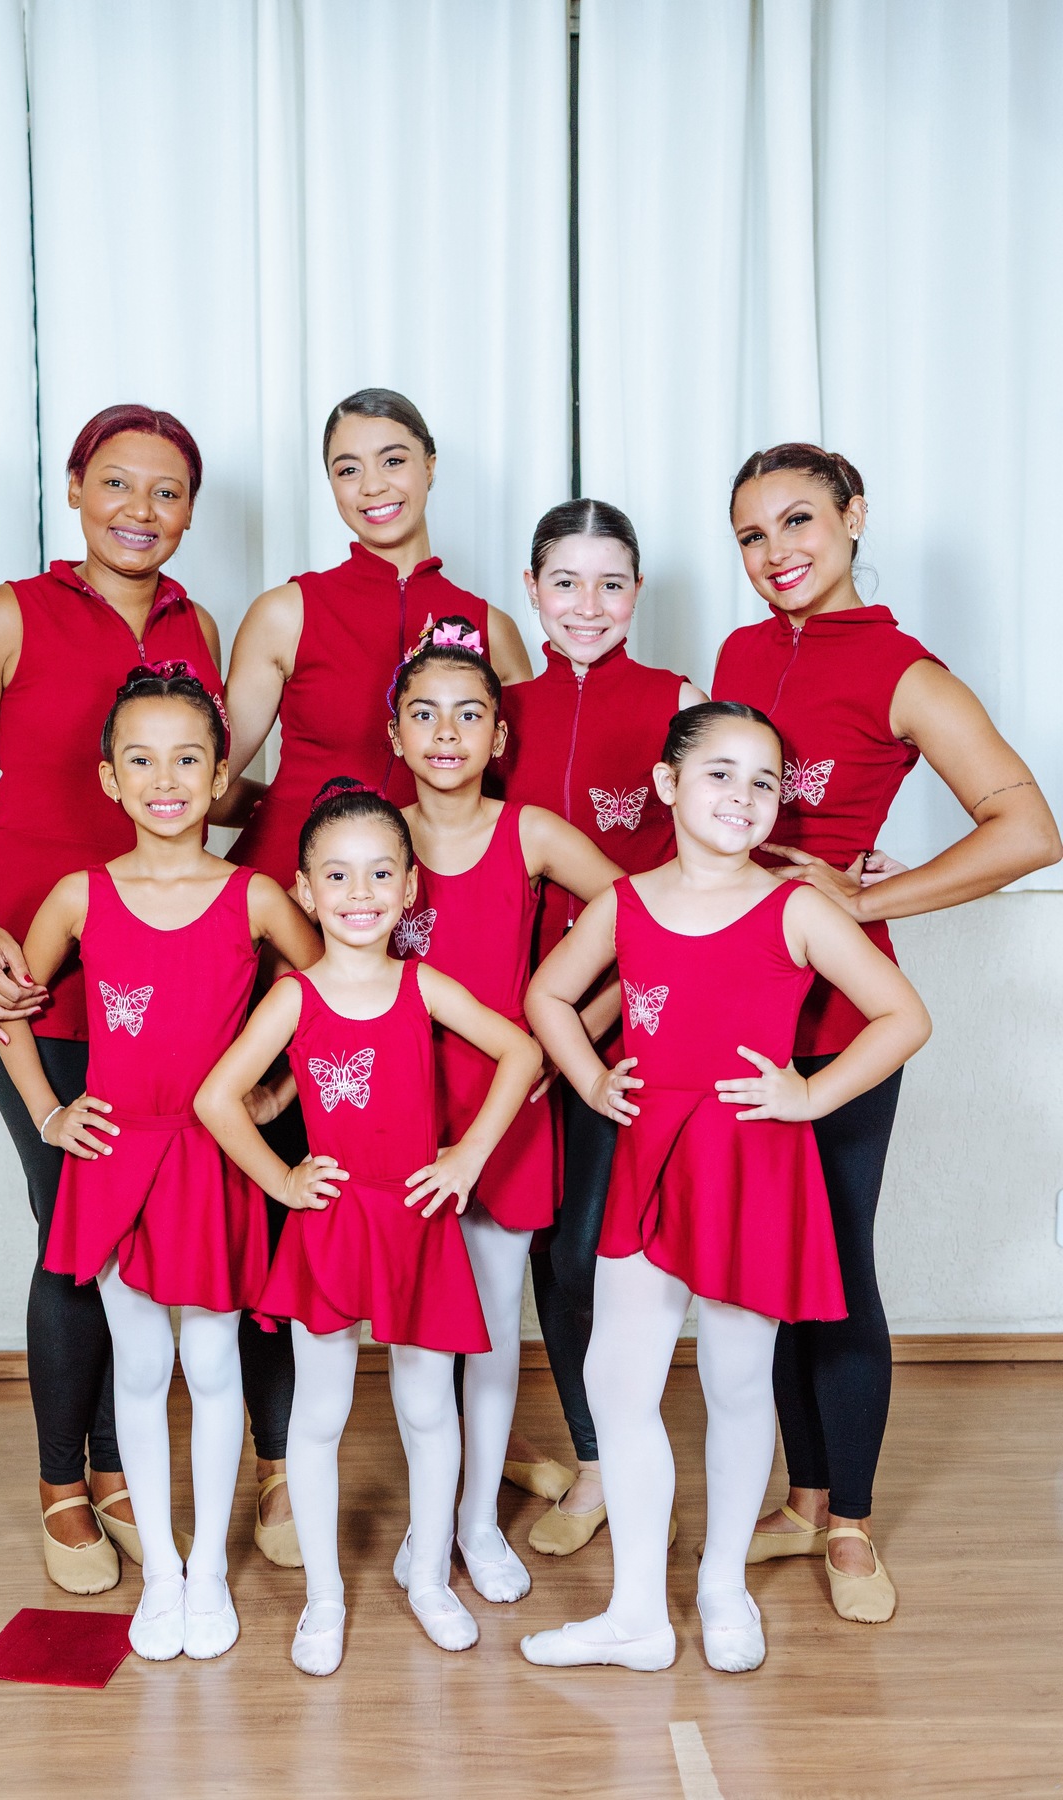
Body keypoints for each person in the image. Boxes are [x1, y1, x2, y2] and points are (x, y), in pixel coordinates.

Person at [714, 444, 1061, 1620]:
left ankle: (852, 1524)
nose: (778, 554)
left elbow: (1028, 827)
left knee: (838, 1264)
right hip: (732, 996)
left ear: (856, 517)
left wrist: (868, 900)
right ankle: (800, 1501)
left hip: (841, 1012)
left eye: (800, 521)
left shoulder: (907, 670)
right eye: (753, 536)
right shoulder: (739, 655)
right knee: (765, 1264)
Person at [520, 702, 931, 1674]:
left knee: (739, 1380)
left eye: (764, 781)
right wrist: (589, 1075)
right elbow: (547, 994)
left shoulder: (798, 909)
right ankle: (634, 1614)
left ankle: (720, 1589)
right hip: (652, 1152)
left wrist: (809, 1092)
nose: (743, 796)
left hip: (751, 1162)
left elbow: (900, 1015)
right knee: (617, 1377)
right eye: (720, 773)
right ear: (666, 784)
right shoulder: (627, 903)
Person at [0, 404, 222, 1591]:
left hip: (165, 974)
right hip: (31, 966)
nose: (141, 512)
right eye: (118, 485)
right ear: (78, 491)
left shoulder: (202, 628)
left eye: (168, 492)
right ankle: (61, 1485)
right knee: (73, 1218)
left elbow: (203, 792)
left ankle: (112, 1460)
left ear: (191, 509)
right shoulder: (8, 615)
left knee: (131, 1220)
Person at [219, 387, 533, 1563]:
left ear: (432, 466)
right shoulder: (289, 608)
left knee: (424, 1171)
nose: (373, 485)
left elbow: (523, 797)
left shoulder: (489, 624)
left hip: (425, 922)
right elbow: (212, 770)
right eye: (347, 468)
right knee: (291, 1179)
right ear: (330, 485)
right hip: (306, 923)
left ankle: (455, 1461)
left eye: (393, 459)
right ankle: (283, 1465)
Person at [0, 667, 321, 1659]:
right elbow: (11, 1005)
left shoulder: (255, 897)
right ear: (109, 778)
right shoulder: (80, 897)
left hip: (212, 1162)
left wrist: (276, 1097)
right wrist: (50, 1111)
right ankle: (166, 1575)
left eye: (188, 759)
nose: (165, 779)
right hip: (118, 1159)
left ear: (223, 775)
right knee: (140, 1365)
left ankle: (210, 1575)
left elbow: (331, 999)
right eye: (141, 759)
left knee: (214, 1363)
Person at [195, 781, 541, 1676]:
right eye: (338, 876)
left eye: (381, 873)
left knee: (429, 1407)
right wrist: (281, 1179)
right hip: (334, 1225)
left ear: (410, 887)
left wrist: (466, 1154)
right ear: (305, 891)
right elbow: (215, 1097)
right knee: (321, 1413)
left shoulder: (423, 985)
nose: (360, 893)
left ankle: (429, 1575)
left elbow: (522, 1050)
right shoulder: (295, 999)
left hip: (416, 1222)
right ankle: (323, 1598)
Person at [385, 617, 622, 1605]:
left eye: (469, 714)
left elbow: (641, 922)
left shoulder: (527, 832)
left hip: (507, 1111)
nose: (446, 732)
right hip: (398, 1118)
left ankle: (478, 1524)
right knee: (415, 1337)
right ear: (394, 733)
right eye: (424, 714)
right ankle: (424, 1525)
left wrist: (571, 1047)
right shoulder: (373, 836)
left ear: (499, 737)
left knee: (488, 1331)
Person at [494, 498, 706, 1552]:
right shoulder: (499, 708)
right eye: (565, 582)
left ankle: (607, 1462)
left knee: (593, 1248)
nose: (588, 605)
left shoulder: (679, 702)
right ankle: (586, 1452)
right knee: (536, 1243)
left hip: (631, 1024)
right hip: (509, 1026)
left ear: (637, 593)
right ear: (530, 588)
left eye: (611, 583)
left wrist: (584, 1023)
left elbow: (693, 878)